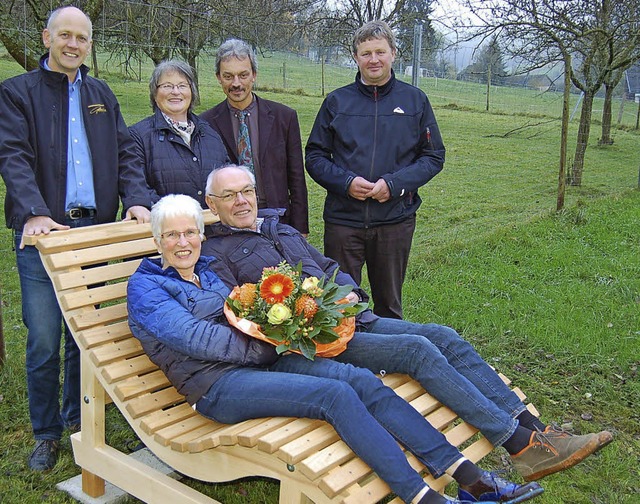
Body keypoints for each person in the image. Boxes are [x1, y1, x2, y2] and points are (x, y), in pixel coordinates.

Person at [202, 165, 614, 485]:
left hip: (354, 318)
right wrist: (306, 323)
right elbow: (244, 314)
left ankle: (538, 432)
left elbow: (329, 267)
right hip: (322, 344)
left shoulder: (281, 228)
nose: (241, 201)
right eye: (229, 195)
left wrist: (350, 293)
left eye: (247, 191)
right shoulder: (217, 253)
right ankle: (519, 444)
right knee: (418, 349)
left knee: (443, 336)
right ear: (211, 203)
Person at [127, 193, 544, 504]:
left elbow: (243, 309)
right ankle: (425, 499)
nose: (182, 242)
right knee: (334, 394)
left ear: (200, 235)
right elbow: (198, 340)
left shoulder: (207, 273)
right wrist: (270, 346)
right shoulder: (146, 287)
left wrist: (278, 336)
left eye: (189, 233)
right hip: (215, 387)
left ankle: (469, 476)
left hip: (262, 363)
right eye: (171, 235)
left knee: (359, 380)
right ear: (156, 239)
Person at [0, 6, 152, 471]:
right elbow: (12, 154)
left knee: (82, 335)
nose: (72, 44)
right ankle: (45, 432)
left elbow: (126, 151)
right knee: (45, 337)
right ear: (47, 37)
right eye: (64, 35)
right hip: (47, 234)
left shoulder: (101, 93)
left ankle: (76, 417)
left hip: (96, 234)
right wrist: (35, 213)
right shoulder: (16, 92)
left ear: (89, 44)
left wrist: (137, 199)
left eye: (81, 38)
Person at [305, 20, 445, 319]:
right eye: (365, 53)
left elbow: (433, 156)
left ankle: (390, 362)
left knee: (389, 305)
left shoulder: (414, 101)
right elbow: (315, 155)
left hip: (394, 220)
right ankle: (345, 361)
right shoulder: (337, 102)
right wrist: (346, 182)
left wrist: (394, 185)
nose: (374, 60)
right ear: (356, 57)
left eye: (380, 52)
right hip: (343, 222)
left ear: (393, 53)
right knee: (339, 305)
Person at [200, 38, 309, 234]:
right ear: (218, 77)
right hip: (228, 222)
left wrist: (300, 228)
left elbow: (297, 178)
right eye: (228, 76)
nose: (236, 83)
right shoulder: (205, 123)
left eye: (243, 75)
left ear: (254, 75)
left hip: (277, 217)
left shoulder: (284, 117)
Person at [129, 59, 229, 208]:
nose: (176, 92)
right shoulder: (137, 136)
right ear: (155, 93)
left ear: (192, 92)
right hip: (166, 227)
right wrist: (178, 216)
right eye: (167, 86)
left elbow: (226, 182)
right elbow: (138, 189)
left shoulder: (209, 134)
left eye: (182, 86)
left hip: (211, 227)